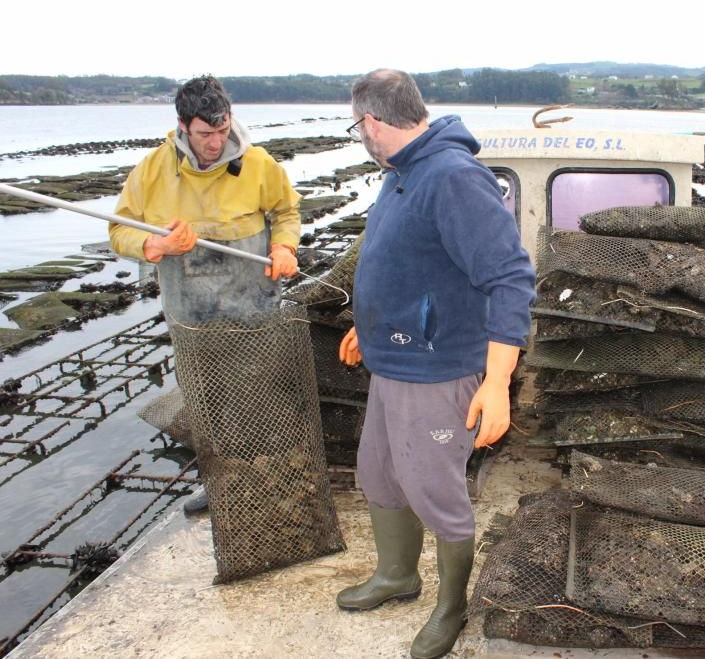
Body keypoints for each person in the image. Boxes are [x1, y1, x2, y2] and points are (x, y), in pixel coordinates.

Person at [336, 69, 535, 659]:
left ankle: (452, 608)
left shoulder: (452, 177)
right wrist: (364, 323)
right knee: (379, 472)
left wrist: (496, 383)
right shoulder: (402, 174)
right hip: (391, 359)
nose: (359, 135)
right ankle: (397, 575)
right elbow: (409, 261)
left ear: (372, 121)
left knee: (433, 486)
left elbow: (511, 278)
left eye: (356, 126)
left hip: (437, 369)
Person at [109, 75, 301, 514]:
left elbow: (287, 212)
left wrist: (283, 246)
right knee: (204, 400)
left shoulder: (258, 164)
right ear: (182, 126)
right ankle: (217, 484)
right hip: (191, 314)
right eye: (204, 134)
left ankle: (274, 480)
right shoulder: (153, 169)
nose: (216, 143)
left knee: (260, 396)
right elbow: (119, 231)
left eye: (221, 131)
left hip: (253, 308)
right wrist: (154, 246)